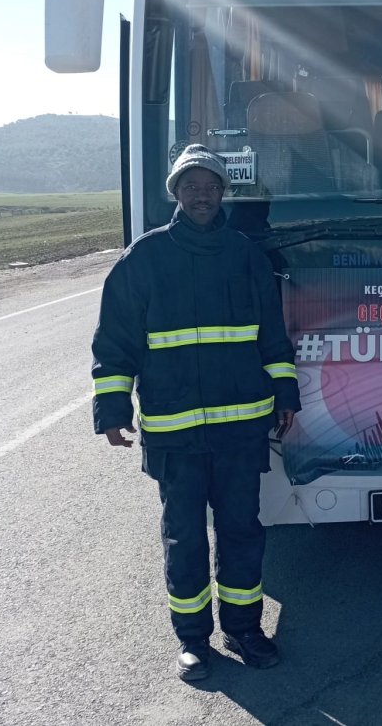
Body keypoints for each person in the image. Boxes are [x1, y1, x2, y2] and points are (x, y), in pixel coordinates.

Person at [91, 144, 301, 682]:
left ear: (223, 192)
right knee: (184, 538)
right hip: (175, 432)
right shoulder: (144, 258)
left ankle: (245, 629)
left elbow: (273, 336)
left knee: (241, 532)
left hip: (240, 430)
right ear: (176, 194)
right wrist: (112, 406)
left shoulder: (246, 256)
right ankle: (192, 640)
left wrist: (286, 394)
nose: (202, 195)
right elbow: (115, 340)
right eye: (191, 186)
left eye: (210, 186)